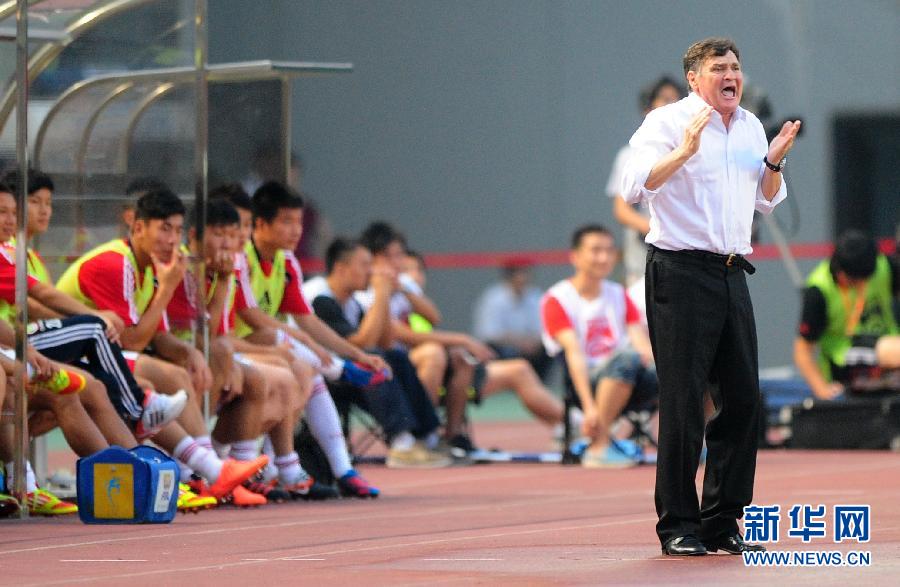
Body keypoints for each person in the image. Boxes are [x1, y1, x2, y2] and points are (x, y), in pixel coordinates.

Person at [621, 37, 801, 556]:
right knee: (683, 401)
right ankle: (678, 523)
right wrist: (683, 151)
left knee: (744, 399)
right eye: (719, 68)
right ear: (695, 77)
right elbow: (635, 185)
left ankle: (722, 519)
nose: (731, 76)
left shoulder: (748, 125)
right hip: (677, 271)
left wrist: (772, 162)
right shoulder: (666, 122)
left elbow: (766, 203)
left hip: (730, 272)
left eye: (736, 67)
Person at [304, 237, 452, 468]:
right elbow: (362, 344)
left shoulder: (352, 301)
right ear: (342, 268)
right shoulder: (319, 297)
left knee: (396, 358)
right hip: (316, 374)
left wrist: (390, 294)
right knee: (373, 362)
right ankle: (401, 444)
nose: (370, 272)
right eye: (364, 265)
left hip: (341, 372)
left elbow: (383, 341)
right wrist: (381, 294)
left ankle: (427, 436)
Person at [540, 225, 656, 468]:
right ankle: (598, 446)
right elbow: (573, 354)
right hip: (587, 382)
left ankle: (688, 446)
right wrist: (589, 408)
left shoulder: (618, 294)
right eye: (595, 250)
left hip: (628, 376)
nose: (603, 257)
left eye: (608, 251)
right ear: (575, 256)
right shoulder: (557, 299)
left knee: (693, 370)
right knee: (626, 358)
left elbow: (641, 344)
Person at [794, 230, 900, 400]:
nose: (863, 284)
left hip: (887, 349)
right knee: (893, 349)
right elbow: (802, 350)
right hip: (844, 359)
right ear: (841, 272)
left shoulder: (881, 266)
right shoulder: (819, 289)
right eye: (856, 281)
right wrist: (822, 390)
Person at [606, 76, 685, 286]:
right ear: (648, 109)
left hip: (686, 259)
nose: (671, 106)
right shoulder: (631, 153)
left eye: (676, 101)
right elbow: (622, 210)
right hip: (644, 259)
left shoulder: (692, 151)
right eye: (665, 100)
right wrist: (657, 228)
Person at [472, 260, 552, 381]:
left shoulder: (536, 296)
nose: (523, 278)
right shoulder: (493, 298)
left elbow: (543, 329)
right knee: (494, 351)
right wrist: (519, 343)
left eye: (526, 274)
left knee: (549, 349)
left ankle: (538, 386)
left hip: (531, 349)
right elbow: (489, 334)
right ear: (509, 277)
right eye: (518, 274)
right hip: (502, 349)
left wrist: (532, 343)